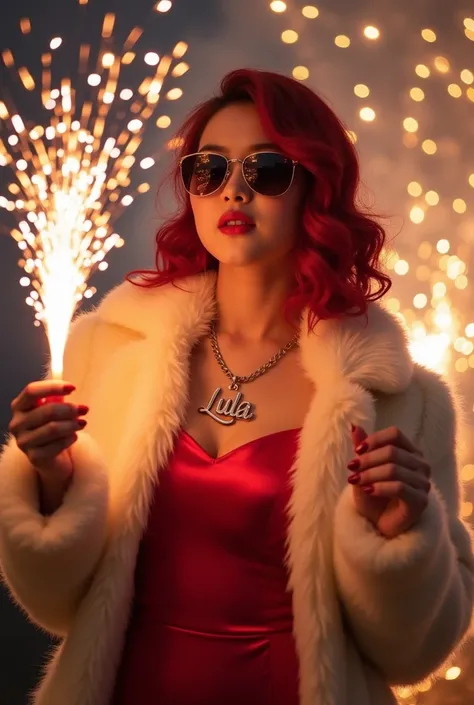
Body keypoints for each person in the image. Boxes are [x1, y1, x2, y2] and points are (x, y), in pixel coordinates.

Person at [0, 68, 473, 705]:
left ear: (317, 190)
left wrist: (400, 539)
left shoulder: (401, 399)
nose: (234, 192)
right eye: (210, 169)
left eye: (268, 170)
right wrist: (51, 483)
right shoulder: (107, 352)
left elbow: (412, 653)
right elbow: (59, 605)